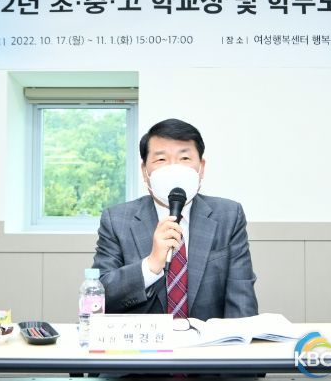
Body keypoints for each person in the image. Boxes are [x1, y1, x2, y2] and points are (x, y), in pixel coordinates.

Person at [92, 118, 258, 321]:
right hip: (146, 340)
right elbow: (98, 297)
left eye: (184, 158)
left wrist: (237, 339)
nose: (174, 169)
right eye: (161, 159)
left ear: (201, 168)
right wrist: (151, 265)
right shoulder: (117, 220)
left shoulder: (229, 215)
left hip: (208, 340)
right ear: (144, 171)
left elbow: (241, 300)